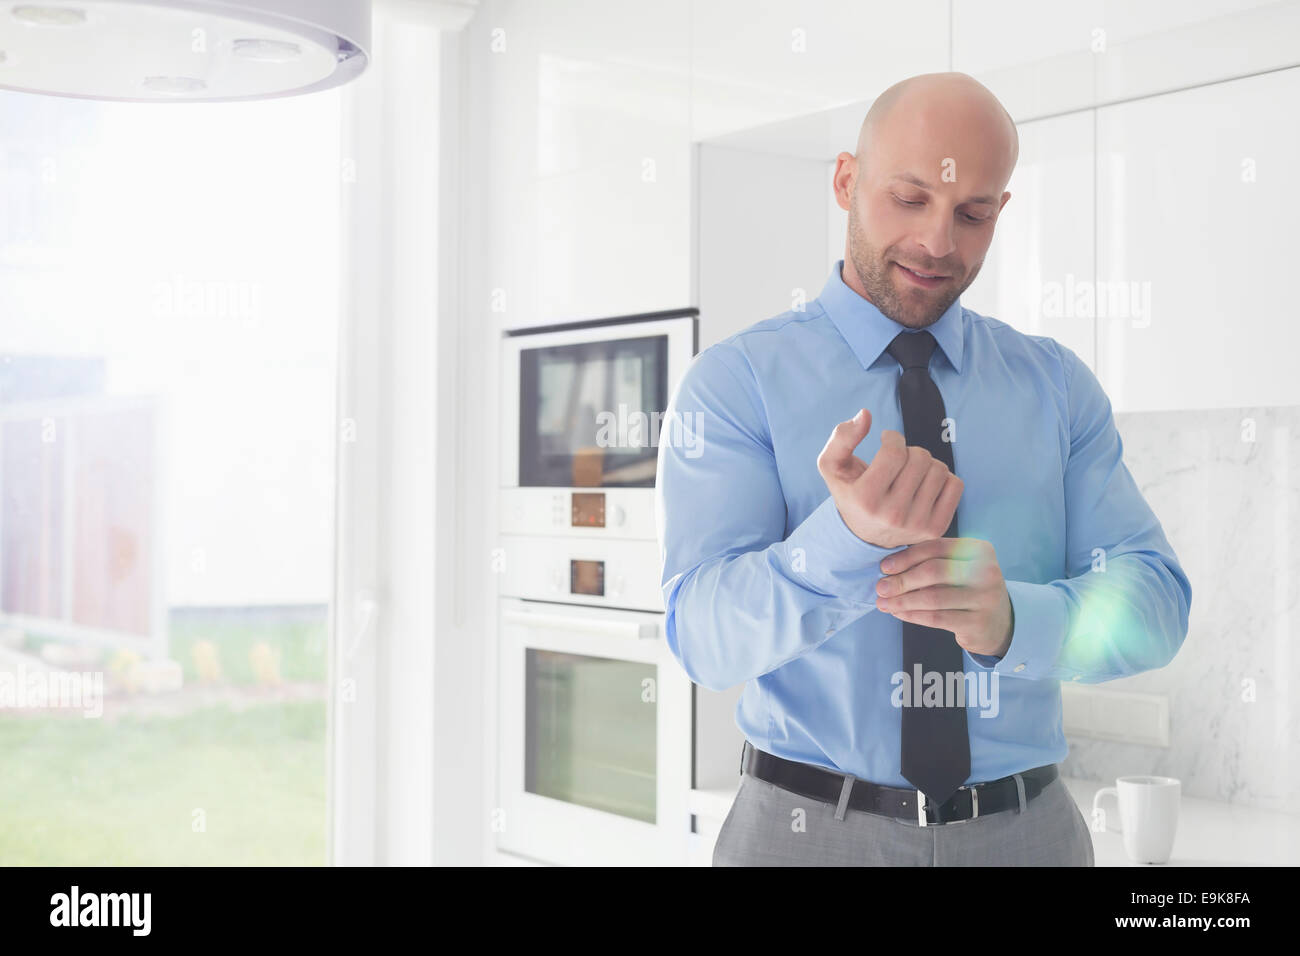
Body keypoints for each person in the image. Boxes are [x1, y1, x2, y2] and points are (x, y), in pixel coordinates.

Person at [654, 72, 1192, 866]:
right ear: (846, 181)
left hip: (1027, 836)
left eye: (972, 213)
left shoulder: (1055, 386)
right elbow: (701, 638)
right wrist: (844, 539)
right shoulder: (737, 382)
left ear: (1000, 212)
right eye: (910, 199)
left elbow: (1155, 601)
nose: (940, 243)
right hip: (804, 834)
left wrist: (1013, 621)